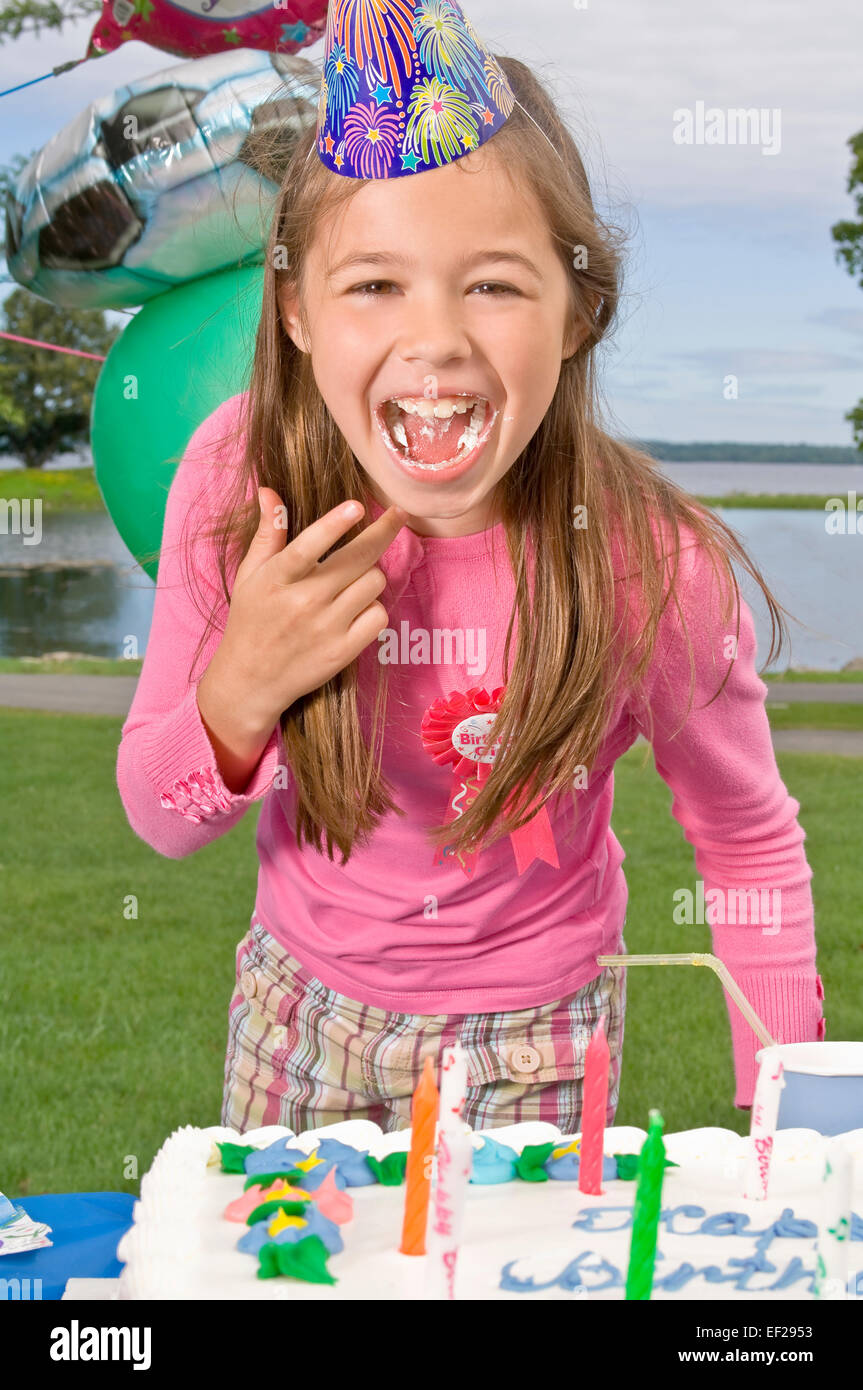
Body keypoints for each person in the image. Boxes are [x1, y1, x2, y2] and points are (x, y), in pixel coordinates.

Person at [116, 2, 824, 1137]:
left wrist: (793, 1106)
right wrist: (240, 690)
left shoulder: (652, 563)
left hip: (541, 1036)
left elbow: (742, 838)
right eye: (373, 285)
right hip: (300, 1011)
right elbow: (162, 819)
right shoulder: (234, 481)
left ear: (576, 311)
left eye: (492, 284)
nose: (435, 338)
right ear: (296, 310)